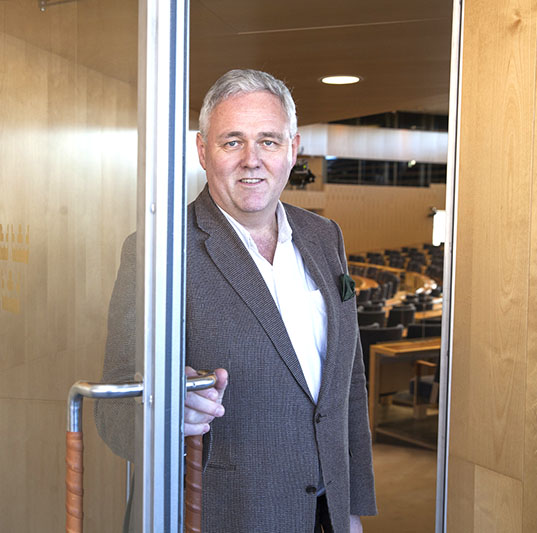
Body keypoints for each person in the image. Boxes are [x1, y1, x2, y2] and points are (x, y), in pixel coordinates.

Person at [95, 69, 376, 532]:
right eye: (232, 142)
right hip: (221, 516)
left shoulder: (325, 236)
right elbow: (113, 409)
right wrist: (167, 412)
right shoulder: (159, 249)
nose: (252, 160)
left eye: (268, 141)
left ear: (293, 149)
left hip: (324, 515)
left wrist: (351, 510)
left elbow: (349, 383)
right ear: (203, 151)